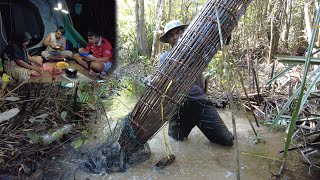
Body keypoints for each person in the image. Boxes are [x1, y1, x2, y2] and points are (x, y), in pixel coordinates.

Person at [158, 20, 234, 146]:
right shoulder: (165, 58)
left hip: (200, 103)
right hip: (178, 108)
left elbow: (220, 42)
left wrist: (226, 30)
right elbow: (161, 80)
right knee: (175, 142)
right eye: (171, 35)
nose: (175, 37)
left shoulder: (198, 50)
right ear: (168, 40)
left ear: (185, 33)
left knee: (227, 141)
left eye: (178, 32)